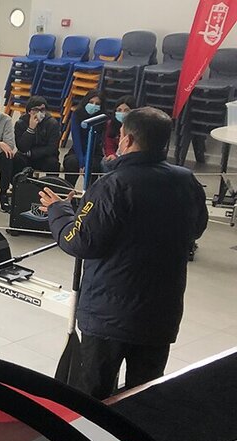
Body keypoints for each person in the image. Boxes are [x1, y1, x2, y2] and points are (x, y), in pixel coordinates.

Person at [39, 107, 207, 400]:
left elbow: (78, 241)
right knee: (146, 397)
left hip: (109, 316)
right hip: (160, 314)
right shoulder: (186, 180)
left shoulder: (112, 185)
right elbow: (196, 228)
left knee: (93, 399)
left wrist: (58, 210)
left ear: (127, 140)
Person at [63, 91, 106, 187]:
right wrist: (82, 162)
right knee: (71, 162)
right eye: (91, 102)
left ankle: (90, 192)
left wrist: (86, 162)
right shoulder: (77, 114)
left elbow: (95, 142)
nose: (93, 105)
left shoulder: (102, 118)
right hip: (77, 151)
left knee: (92, 166)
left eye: (97, 104)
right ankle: (68, 190)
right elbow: (76, 139)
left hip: (94, 152)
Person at [14, 96, 63, 175]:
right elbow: (22, 147)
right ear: (29, 111)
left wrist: (32, 153)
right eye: (36, 110)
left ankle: (50, 182)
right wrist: (31, 129)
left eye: (42, 110)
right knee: (17, 159)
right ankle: (18, 182)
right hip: (26, 157)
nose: (39, 113)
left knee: (53, 163)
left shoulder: (52, 124)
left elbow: (52, 148)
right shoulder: (21, 123)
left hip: (44, 157)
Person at [102, 95, 136, 169]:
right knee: (105, 163)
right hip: (116, 156)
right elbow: (108, 143)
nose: (122, 113)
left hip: (131, 158)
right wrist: (111, 154)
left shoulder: (138, 127)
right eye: (119, 110)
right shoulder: (110, 124)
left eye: (126, 110)